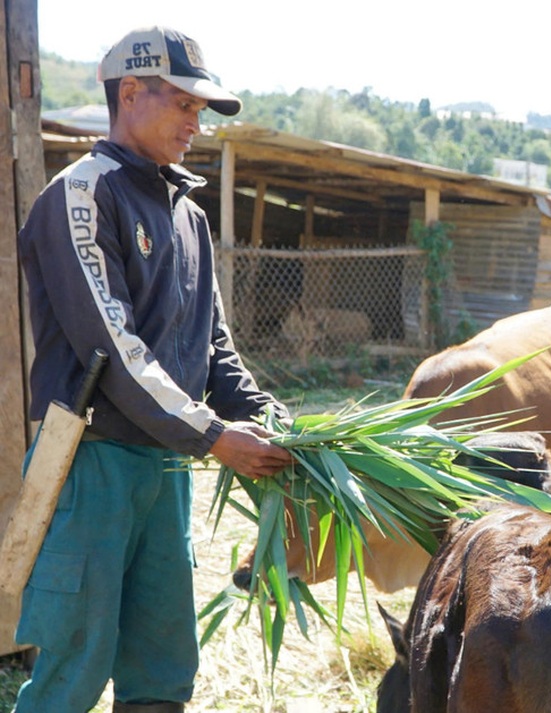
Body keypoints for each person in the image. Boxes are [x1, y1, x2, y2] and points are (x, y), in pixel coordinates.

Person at [13, 26, 294, 713]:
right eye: (185, 106)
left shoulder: (188, 216)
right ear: (130, 93)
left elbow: (214, 346)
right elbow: (114, 345)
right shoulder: (80, 195)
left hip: (165, 473)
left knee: (163, 668)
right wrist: (211, 434)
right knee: (73, 668)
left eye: (202, 111)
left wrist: (267, 417)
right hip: (93, 463)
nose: (196, 124)